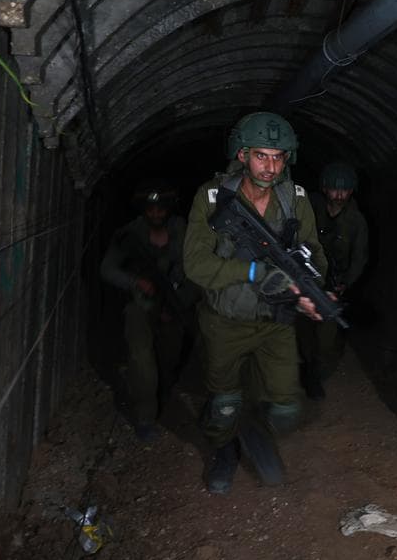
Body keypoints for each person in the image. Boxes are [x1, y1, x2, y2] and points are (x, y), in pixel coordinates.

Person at [183, 112, 327, 494]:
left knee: (286, 410)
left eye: (279, 157)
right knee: (223, 405)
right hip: (225, 321)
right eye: (262, 156)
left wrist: (309, 294)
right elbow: (196, 264)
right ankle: (223, 448)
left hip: (275, 322)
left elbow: (314, 256)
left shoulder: (294, 200)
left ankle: (249, 422)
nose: (271, 166)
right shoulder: (212, 198)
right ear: (243, 155)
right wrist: (252, 273)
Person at [99, 182, 198, 441]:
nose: (156, 215)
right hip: (141, 306)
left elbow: (196, 267)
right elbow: (107, 269)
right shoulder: (130, 234)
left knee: (169, 357)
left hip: (174, 304)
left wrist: (179, 298)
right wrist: (135, 282)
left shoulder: (182, 231)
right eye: (150, 210)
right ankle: (145, 418)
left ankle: (163, 391)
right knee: (141, 361)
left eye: (160, 210)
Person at [297, 161, 368, 400]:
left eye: (345, 190)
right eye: (335, 189)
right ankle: (302, 367)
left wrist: (345, 282)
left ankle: (315, 374)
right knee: (299, 329)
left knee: (325, 337)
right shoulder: (309, 207)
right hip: (304, 280)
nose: (339, 195)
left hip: (332, 286)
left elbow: (359, 257)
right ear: (325, 188)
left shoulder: (356, 220)